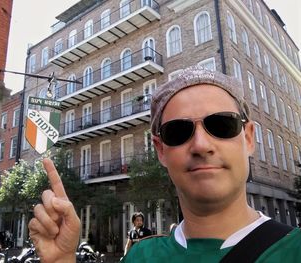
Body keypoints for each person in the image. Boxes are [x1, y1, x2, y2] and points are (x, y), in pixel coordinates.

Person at [28, 66, 301, 262]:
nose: (201, 144)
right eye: (178, 132)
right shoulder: (142, 256)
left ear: (249, 138)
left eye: (222, 124)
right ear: (160, 150)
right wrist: (61, 259)